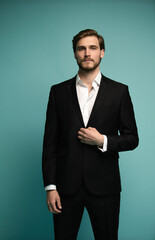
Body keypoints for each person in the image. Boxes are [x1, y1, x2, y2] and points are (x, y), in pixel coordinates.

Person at [42, 29, 139, 240]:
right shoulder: (58, 92)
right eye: (81, 48)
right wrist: (51, 187)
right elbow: (50, 143)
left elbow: (132, 138)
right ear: (75, 54)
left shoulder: (119, 91)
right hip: (65, 188)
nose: (87, 53)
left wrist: (102, 140)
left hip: (105, 187)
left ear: (102, 53)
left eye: (93, 48)